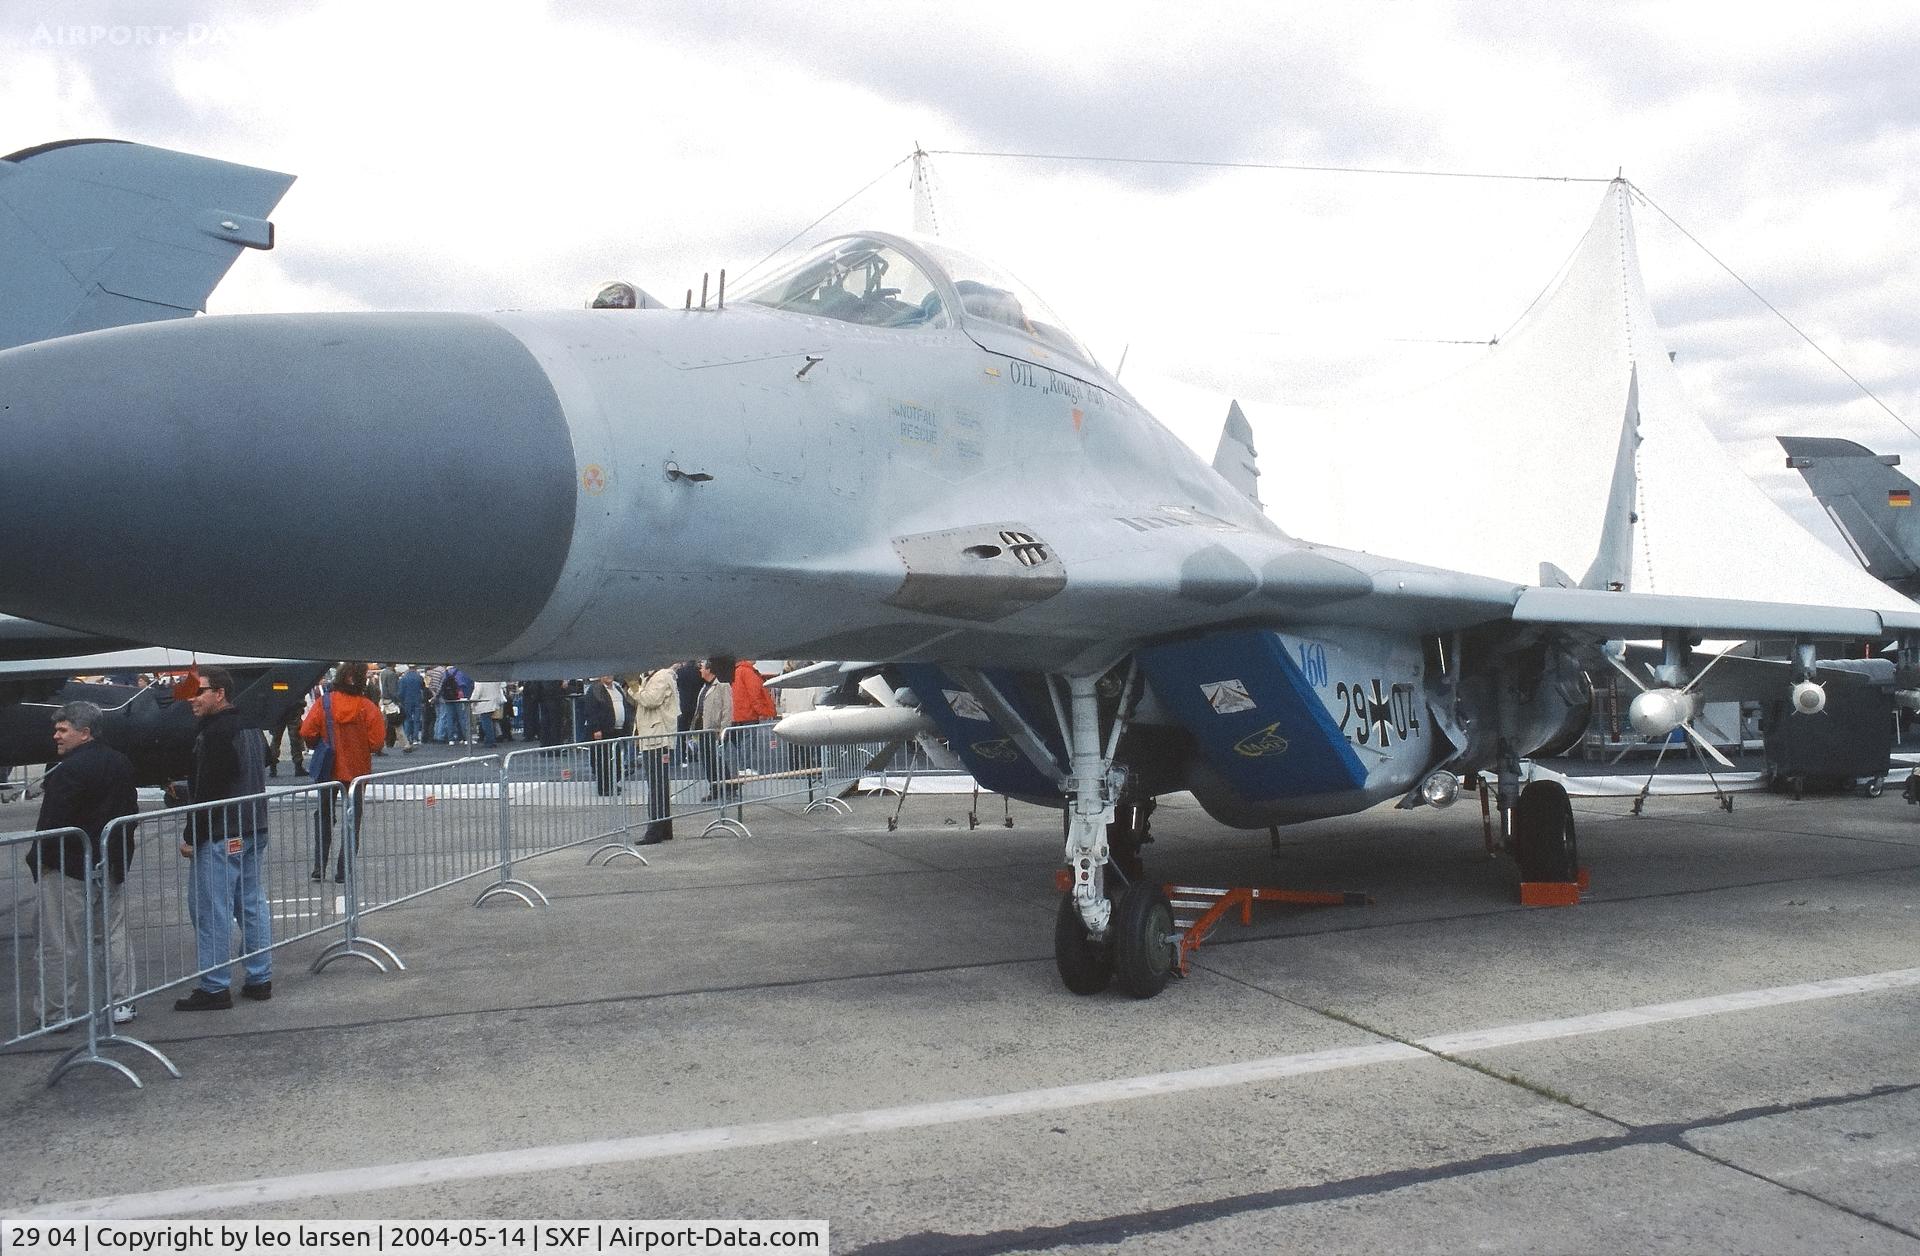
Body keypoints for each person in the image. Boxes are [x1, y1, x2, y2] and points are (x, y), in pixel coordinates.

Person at [28, 701, 139, 1026]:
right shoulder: (120, 762)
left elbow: (52, 823)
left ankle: (55, 1013)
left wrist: (40, 862)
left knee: (59, 944)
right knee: (114, 935)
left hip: (68, 867)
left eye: (63, 730)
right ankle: (123, 1003)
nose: (56, 736)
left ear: (85, 733)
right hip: (110, 863)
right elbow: (128, 813)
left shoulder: (68, 770)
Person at [172, 666, 272, 1011]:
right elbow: (264, 761)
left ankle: (215, 986)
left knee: (211, 909)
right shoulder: (251, 727)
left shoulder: (215, 733)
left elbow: (210, 789)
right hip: (253, 826)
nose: (192, 700)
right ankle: (260, 977)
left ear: (220, 693)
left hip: (222, 832)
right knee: (251, 903)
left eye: (198, 692)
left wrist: (191, 835)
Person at [300, 662, 388, 882]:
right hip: (356, 773)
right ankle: (343, 870)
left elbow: (306, 731)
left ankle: (319, 866)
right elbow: (377, 742)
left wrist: (320, 742)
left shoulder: (324, 703)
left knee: (324, 817)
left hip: (328, 770)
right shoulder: (367, 707)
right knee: (352, 821)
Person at [631, 665, 681, 843]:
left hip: (656, 739)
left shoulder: (660, 677)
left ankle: (654, 831)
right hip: (654, 737)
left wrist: (634, 688)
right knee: (660, 785)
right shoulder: (654, 677)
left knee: (656, 786)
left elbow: (651, 699)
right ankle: (664, 828)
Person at [692, 658, 733, 801]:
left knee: (717, 760)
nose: (700, 670)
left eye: (702, 667)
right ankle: (715, 788)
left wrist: (724, 729)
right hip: (703, 730)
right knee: (707, 761)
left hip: (714, 730)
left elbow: (727, 709)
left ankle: (728, 787)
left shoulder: (722, 685)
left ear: (709, 669)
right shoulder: (705, 686)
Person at [583, 674, 628, 796]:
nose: (609, 676)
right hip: (602, 731)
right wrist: (596, 729)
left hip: (618, 730)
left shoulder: (617, 688)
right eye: (605, 674)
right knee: (603, 761)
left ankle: (613, 783)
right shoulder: (595, 690)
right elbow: (590, 711)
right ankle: (604, 787)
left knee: (616, 759)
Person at [262, 692, 305, 779]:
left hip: (279, 709)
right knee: (295, 738)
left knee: (276, 739)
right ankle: (298, 766)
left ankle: (273, 767)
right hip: (293, 707)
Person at [470, 678, 506, 748]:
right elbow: (502, 685)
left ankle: (490, 741)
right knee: (490, 721)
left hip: (484, 701)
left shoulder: (480, 679)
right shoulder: (495, 676)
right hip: (494, 700)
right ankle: (491, 740)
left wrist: (472, 702)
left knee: (486, 722)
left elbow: (477, 691)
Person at [397, 664, 425, 751]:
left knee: (407, 719)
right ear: (416, 668)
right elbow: (423, 689)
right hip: (417, 700)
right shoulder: (419, 677)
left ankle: (407, 738)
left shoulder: (403, 678)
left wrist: (400, 701)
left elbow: (401, 692)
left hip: (406, 701)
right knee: (417, 720)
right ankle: (416, 738)